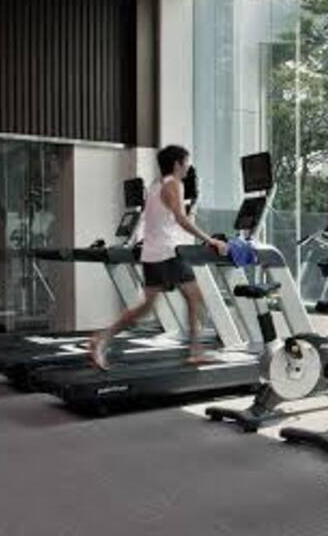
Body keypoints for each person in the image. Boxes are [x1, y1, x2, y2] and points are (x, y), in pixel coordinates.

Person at [88, 145, 226, 370]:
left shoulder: (155, 185)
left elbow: (164, 219)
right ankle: (195, 352)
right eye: (186, 162)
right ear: (177, 164)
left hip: (151, 254)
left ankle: (102, 338)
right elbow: (181, 219)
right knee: (195, 299)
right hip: (167, 253)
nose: (188, 167)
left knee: (146, 308)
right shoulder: (174, 184)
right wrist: (211, 240)